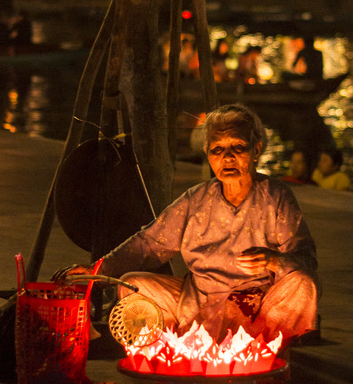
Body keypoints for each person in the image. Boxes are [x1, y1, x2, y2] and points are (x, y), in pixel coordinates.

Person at [95, 104, 319, 352]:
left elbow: (305, 259)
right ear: (207, 154)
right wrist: (99, 269)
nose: (228, 158)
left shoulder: (276, 196)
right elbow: (148, 244)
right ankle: (177, 350)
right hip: (198, 302)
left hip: (256, 310)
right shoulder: (196, 199)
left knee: (302, 284)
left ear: (256, 151)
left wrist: (274, 261)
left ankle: (262, 353)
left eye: (238, 147)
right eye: (218, 150)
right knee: (133, 284)